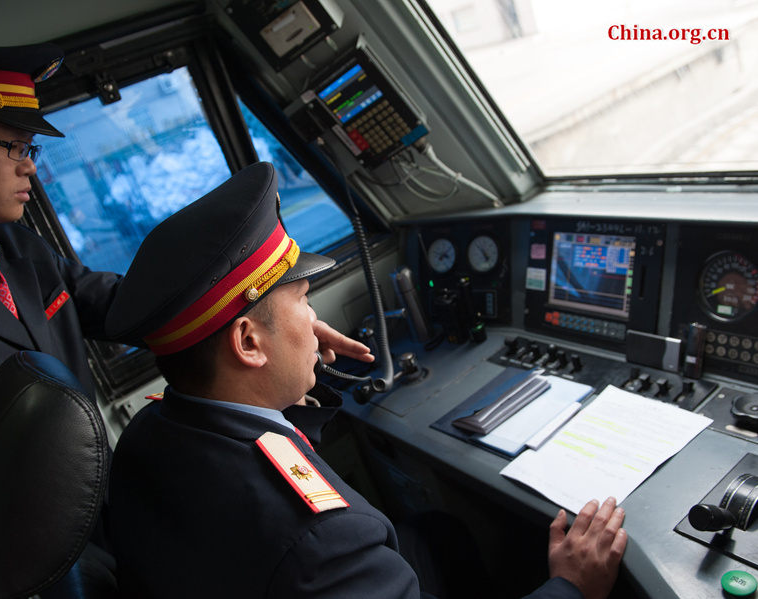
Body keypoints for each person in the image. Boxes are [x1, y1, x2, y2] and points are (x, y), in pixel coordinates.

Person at [0, 44, 369, 598]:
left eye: (29, 146)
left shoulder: (9, 240)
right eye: (11, 145)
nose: (29, 163)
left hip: (100, 535)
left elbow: (105, 301)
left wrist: (263, 317)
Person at [105, 161, 628, 599]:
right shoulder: (326, 542)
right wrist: (572, 586)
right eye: (305, 302)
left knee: (441, 534)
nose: (315, 322)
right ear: (247, 344)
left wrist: (288, 371)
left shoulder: (150, 430)